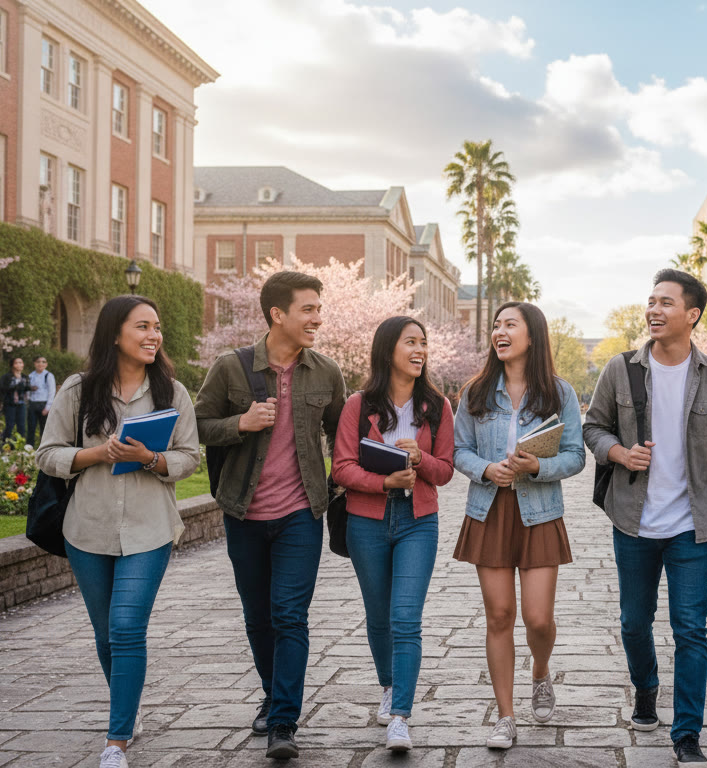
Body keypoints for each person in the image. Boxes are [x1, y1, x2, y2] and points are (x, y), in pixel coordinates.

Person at [583, 269, 707, 766]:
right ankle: (646, 687)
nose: (653, 309)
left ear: (691, 315)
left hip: (691, 526)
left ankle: (687, 732)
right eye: (650, 301)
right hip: (632, 521)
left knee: (690, 629)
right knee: (634, 623)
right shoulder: (622, 369)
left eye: (666, 302)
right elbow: (594, 428)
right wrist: (618, 454)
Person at [36, 295, 200, 768]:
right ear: (114, 334)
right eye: (143, 326)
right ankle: (126, 708)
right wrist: (97, 454)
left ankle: (116, 741)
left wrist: (149, 459)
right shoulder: (77, 389)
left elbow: (189, 456)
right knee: (106, 633)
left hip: (149, 529)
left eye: (157, 326)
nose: (154, 335)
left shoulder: (173, 392)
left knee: (127, 627)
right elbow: (48, 454)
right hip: (87, 529)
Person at [194, 271, 347, 760]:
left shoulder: (326, 372)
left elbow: (339, 437)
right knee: (258, 616)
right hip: (243, 511)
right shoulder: (231, 368)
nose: (317, 319)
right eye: (308, 309)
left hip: (302, 513)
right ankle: (271, 692)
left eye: (319, 309)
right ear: (277, 314)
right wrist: (239, 422)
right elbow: (196, 425)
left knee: (289, 615)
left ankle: (284, 720)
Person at [452, 302, 586, 750]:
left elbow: (575, 456)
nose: (500, 332)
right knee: (500, 615)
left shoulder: (558, 393)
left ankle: (541, 671)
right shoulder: (475, 392)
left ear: (533, 336)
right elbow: (459, 450)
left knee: (537, 618)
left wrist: (536, 467)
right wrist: (487, 469)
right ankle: (506, 716)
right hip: (489, 511)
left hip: (539, 512)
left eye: (510, 325)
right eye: (496, 325)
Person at [332, 316, 455, 753]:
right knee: (379, 616)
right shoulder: (358, 404)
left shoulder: (437, 405)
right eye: (411, 342)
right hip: (366, 522)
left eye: (424, 342)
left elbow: (446, 470)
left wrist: (420, 460)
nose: (420, 349)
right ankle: (388, 686)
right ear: (388, 351)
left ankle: (400, 715)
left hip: (418, 522)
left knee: (406, 618)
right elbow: (342, 466)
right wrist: (384, 482)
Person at [27, 355, 57, 447]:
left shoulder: (48, 375)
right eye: (38, 362)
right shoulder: (31, 376)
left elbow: (52, 392)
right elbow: (27, 390)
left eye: (43, 362)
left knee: (44, 428)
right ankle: (29, 447)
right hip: (33, 404)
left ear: (46, 364)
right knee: (31, 427)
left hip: (43, 404)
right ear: (34, 364)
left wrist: (48, 407)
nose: (41, 364)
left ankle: (44, 447)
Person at [0, 357, 30, 439]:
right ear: (12, 365)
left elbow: (26, 389)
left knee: (22, 426)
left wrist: (29, 388)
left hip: (21, 404)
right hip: (10, 404)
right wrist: (15, 387)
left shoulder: (24, 377)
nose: (19, 365)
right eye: (17, 363)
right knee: (10, 425)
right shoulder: (7, 377)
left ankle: (19, 445)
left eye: (21, 362)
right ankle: (5, 444)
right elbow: (2, 389)